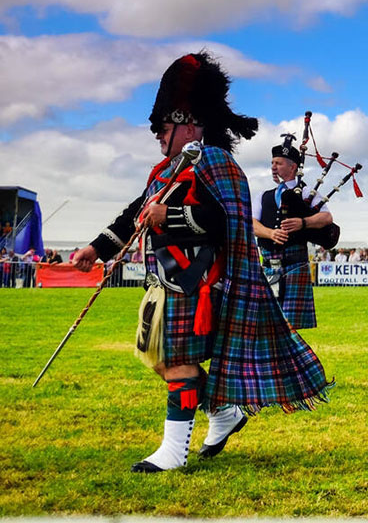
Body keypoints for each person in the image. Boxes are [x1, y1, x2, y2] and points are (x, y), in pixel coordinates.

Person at [71, 52, 332, 472]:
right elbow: (134, 212)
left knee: (176, 362)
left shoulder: (214, 162)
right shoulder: (166, 170)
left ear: (190, 125)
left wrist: (169, 216)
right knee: (159, 357)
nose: (158, 135)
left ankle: (175, 451)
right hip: (167, 280)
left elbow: (224, 221)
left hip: (198, 281)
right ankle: (224, 414)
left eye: (164, 128)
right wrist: (95, 248)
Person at [252, 134, 334, 331]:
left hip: (295, 265)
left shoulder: (306, 193)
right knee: (268, 323)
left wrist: (303, 222)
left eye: (278, 163)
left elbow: (326, 217)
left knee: (289, 326)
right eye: (272, 162)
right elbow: (251, 223)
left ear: (292, 167)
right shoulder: (264, 196)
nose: (273, 166)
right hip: (269, 265)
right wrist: (270, 233)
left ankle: (290, 360)